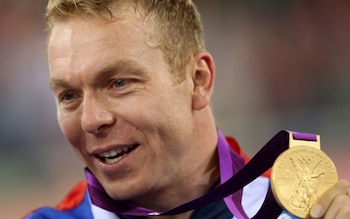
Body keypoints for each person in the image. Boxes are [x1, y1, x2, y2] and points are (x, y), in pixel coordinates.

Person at [25, 0, 350, 218]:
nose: (91, 120)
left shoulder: (298, 211)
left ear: (198, 80)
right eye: (68, 95)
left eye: (119, 83)